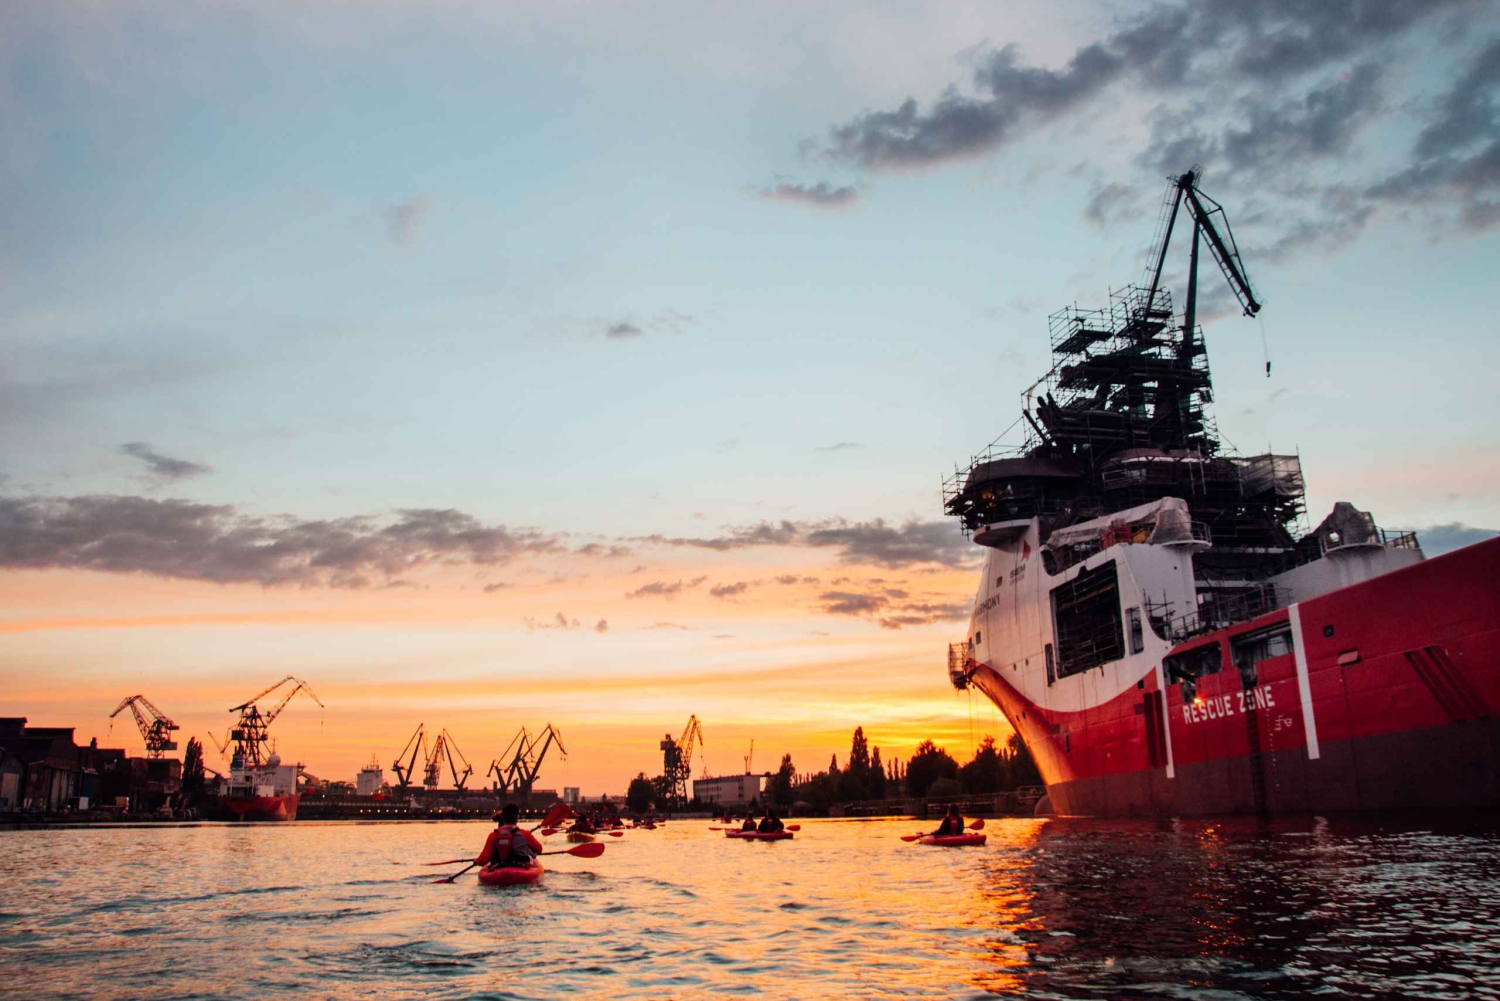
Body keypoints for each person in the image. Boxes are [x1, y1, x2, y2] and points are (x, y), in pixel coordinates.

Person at [477, 804, 542, 869]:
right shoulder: (525, 834)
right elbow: (539, 849)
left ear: (503, 818)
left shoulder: (493, 835)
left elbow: (483, 860)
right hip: (521, 867)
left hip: (498, 867)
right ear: (517, 818)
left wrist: (476, 861)